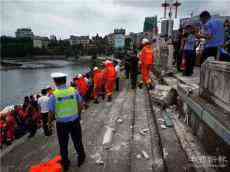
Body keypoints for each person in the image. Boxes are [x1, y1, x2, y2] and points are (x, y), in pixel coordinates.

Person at [48, 72, 85, 171]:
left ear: (55, 82)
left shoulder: (54, 95)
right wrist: (78, 115)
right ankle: (81, 158)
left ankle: (65, 164)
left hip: (61, 124)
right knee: (78, 141)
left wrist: (49, 123)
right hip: (75, 121)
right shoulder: (73, 90)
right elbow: (80, 104)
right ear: (65, 80)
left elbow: (51, 112)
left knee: (63, 145)